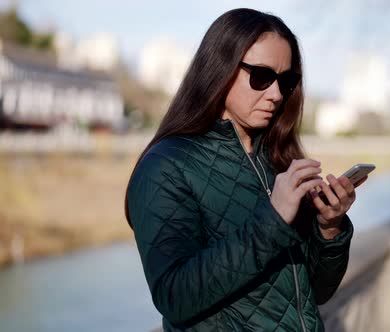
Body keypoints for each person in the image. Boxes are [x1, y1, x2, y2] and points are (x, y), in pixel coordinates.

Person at [124, 8, 365, 332]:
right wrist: (273, 219)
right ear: (219, 69)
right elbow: (174, 297)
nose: (276, 94)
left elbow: (317, 292)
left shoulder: (277, 159)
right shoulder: (166, 166)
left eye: (287, 80)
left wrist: (330, 228)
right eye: (261, 77)